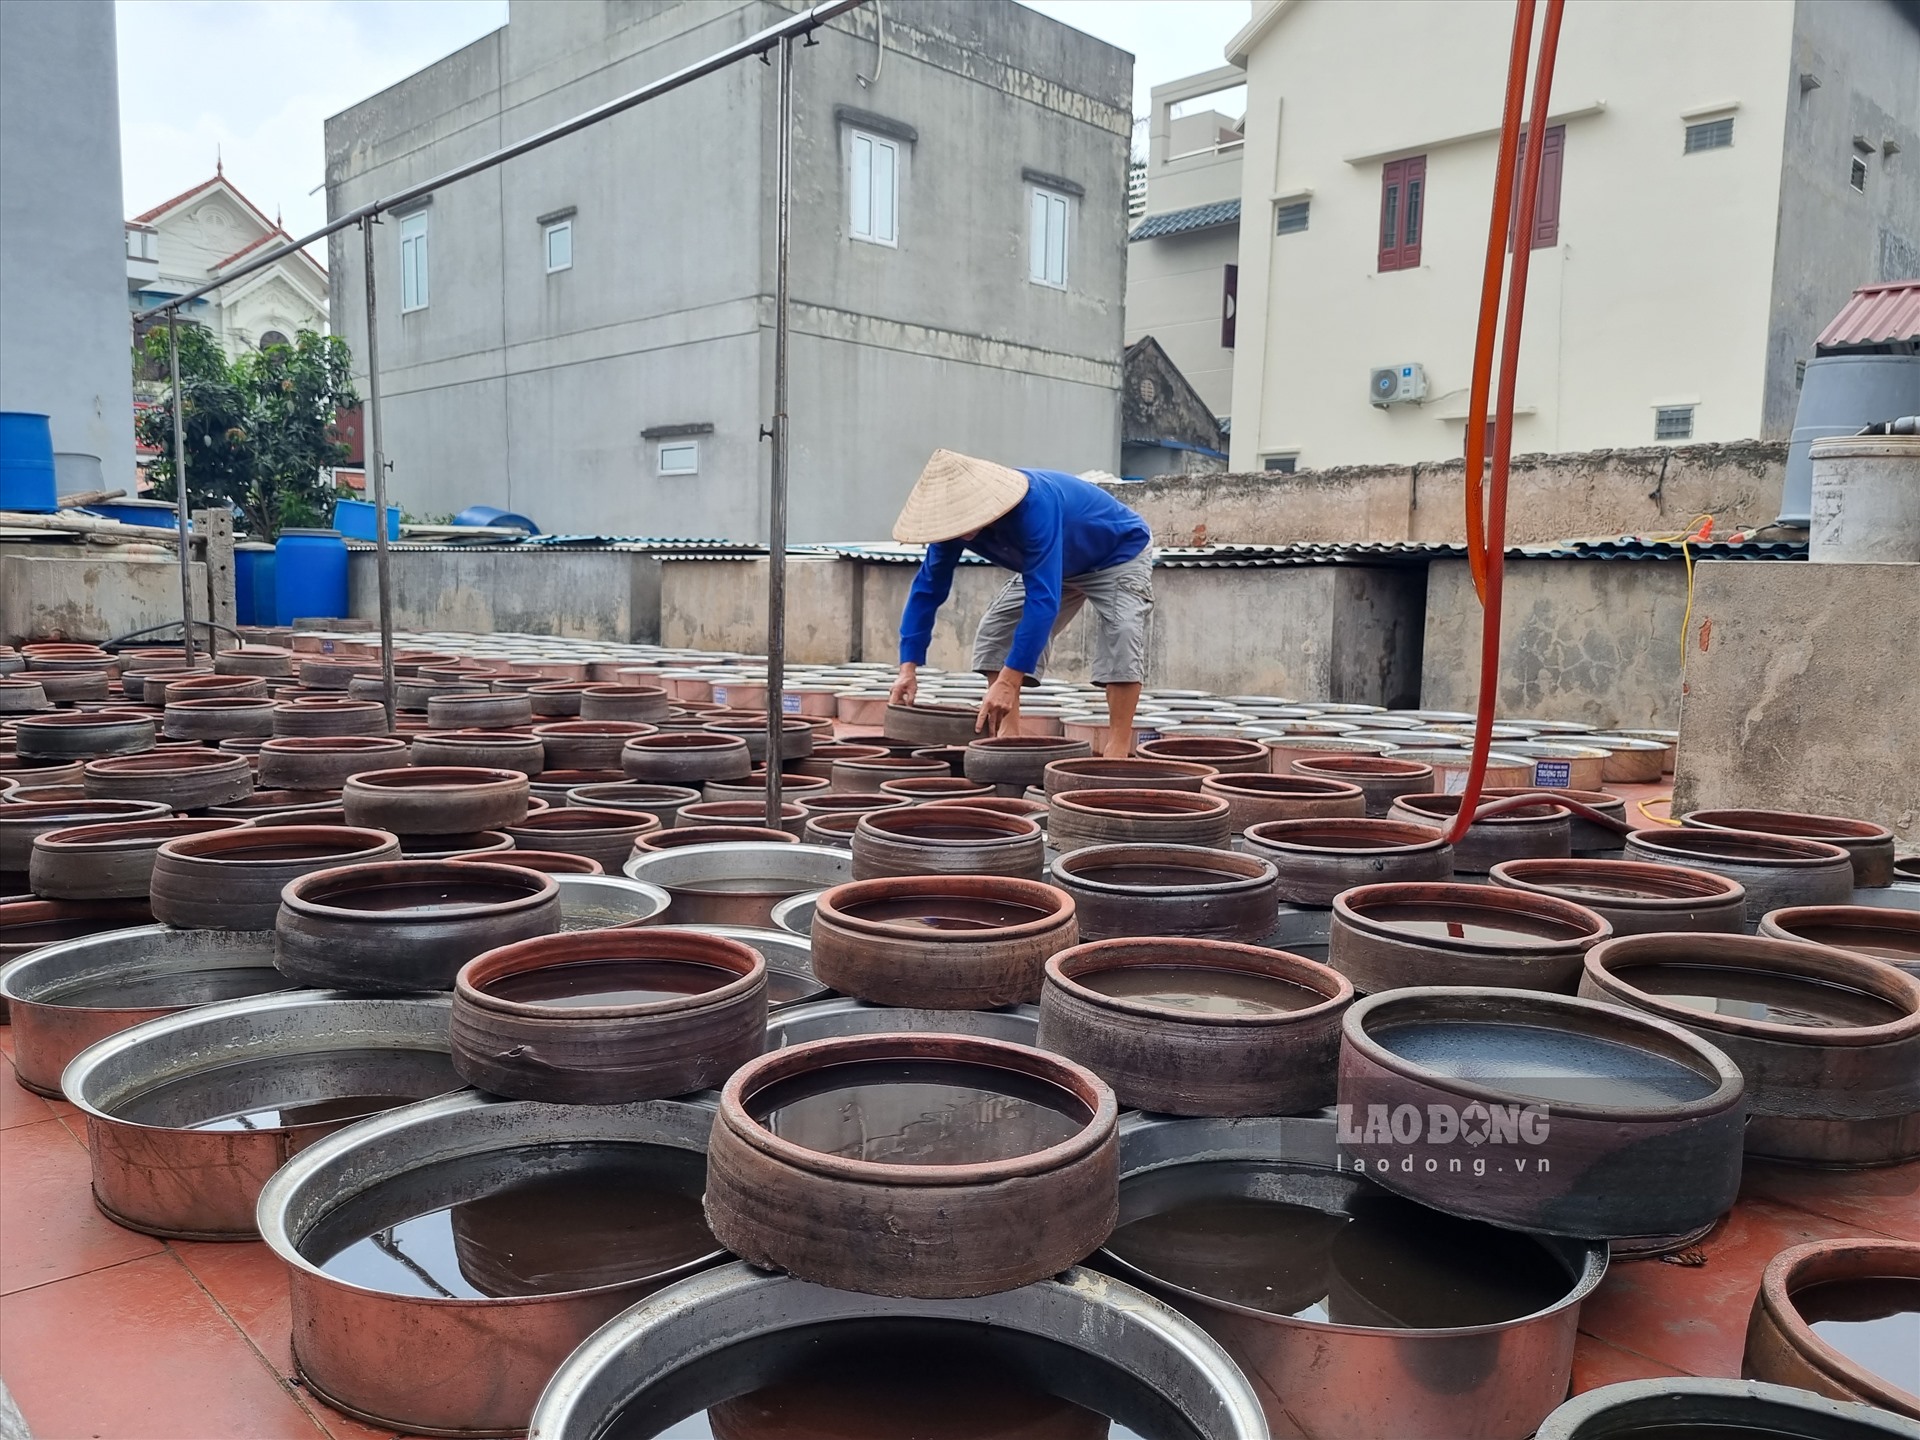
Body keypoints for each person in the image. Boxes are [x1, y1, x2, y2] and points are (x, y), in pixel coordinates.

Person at [888, 449, 1154, 758]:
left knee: (1122, 634)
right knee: (997, 629)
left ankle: (1117, 749)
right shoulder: (951, 530)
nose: (964, 528)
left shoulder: (1033, 506)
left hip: (1117, 554)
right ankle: (1008, 738)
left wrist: (1009, 680)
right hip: (1056, 562)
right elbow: (927, 589)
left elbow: (1043, 601)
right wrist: (907, 668)